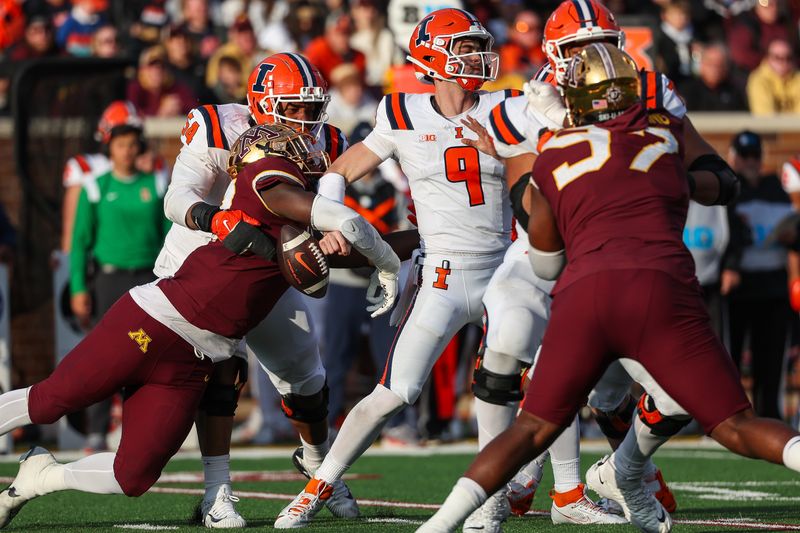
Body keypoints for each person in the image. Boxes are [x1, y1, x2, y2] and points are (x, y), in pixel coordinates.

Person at [417, 42, 800, 533]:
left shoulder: (553, 154)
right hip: (664, 292)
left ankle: (443, 524)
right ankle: (622, 473)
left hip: (587, 294)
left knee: (533, 427)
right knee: (735, 424)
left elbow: (547, 261)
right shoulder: (665, 139)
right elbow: (718, 183)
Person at [0, 123, 400, 530]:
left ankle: (41, 478)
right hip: (154, 323)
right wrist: (385, 262)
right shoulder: (266, 183)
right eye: (293, 148)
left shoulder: (301, 210)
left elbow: (342, 247)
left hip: (198, 359)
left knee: (133, 477)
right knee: (51, 401)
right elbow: (343, 219)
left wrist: (429, 243)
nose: (310, 156)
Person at [467, 1, 715, 526]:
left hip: (629, 259)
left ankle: (622, 470)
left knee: (673, 395)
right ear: (556, 56)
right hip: (548, 255)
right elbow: (528, 203)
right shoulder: (527, 105)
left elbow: (718, 180)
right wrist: (569, 137)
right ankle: (498, 496)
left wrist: (656, 175)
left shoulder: (651, 94)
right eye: (579, 48)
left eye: (602, 43)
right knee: (509, 335)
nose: (593, 58)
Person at [273, 9, 514, 529]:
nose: (478, 56)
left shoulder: (508, 106)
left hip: (505, 273)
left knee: (520, 385)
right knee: (394, 390)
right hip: (441, 275)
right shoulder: (402, 111)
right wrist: (332, 220)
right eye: (466, 48)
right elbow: (339, 170)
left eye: (478, 46)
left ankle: (508, 498)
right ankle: (320, 485)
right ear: (435, 57)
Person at [160, 52, 355, 528]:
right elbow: (177, 199)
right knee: (221, 370)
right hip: (201, 260)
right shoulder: (217, 125)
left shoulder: (328, 141)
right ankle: (216, 493)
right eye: (295, 106)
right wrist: (220, 220)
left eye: (312, 107)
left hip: (269, 267)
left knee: (307, 378)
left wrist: (332, 232)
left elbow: (322, 210)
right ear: (263, 102)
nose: (308, 119)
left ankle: (318, 465)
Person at [69, 121, 170, 451]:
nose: (127, 150)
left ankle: (141, 430)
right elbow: (79, 242)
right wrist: (78, 287)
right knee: (104, 356)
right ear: (109, 149)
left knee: (146, 355)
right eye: (120, 144)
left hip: (147, 279)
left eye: (132, 144)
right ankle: (96, 430)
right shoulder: (95, 187)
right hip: (109, 281)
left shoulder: (154, 184)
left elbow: (169, 235)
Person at [726, 130, 793, 419]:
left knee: (772, 359)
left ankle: (770, 418)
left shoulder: (776, 189)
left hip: (773, 285)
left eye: (755, 156)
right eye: (744, 156)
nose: (750, 162)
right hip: (738, 286)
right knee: (729, 358)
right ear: (733, 157)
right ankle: (730, 417)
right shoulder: (727, 188)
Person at [680, 43, 747, 112]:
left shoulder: (734, 92)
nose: (714, 68)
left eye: (719, 64)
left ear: (726, 68)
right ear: (702, 64)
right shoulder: (688, 91)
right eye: (710, 63)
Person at [746, 38, 800, 114]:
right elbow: (765, 117)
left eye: (788, 58)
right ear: (768, 58)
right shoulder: (758, 79)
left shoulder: (798, 78)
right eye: (777, 58)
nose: (783, 62)